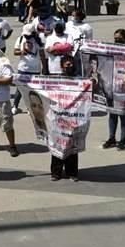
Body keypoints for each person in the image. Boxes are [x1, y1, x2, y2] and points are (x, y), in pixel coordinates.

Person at [50, 52, 82, 181]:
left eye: (71, 64)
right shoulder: (56, 80)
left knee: (72, 146)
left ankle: (72, 172)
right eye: (66, 64)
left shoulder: (80, 80)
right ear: (62, 67)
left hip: (74, 117)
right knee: (58, 145)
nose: (69, 66)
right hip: (59, 117)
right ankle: (56, 172)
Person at [102, 29, 125, 150]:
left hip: (123, 87)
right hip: (110, 86)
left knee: (123, 114)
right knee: (112, 113)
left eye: (119, 39)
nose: (117, 41)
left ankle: (123, 140)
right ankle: (112, 138)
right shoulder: (111, 50)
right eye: (115, 39)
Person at [12, 21, 43, 113]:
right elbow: (15, 52)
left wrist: (44, 67)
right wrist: (21, 52)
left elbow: (42, 54)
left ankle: (31, 107)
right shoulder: (21, 39)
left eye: (28, 35)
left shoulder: (38, 41)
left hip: (35, 68)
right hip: (23, 68)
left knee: (33, 89)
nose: (26, 37)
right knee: (20, 88)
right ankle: (15, 106)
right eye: (25, 35)